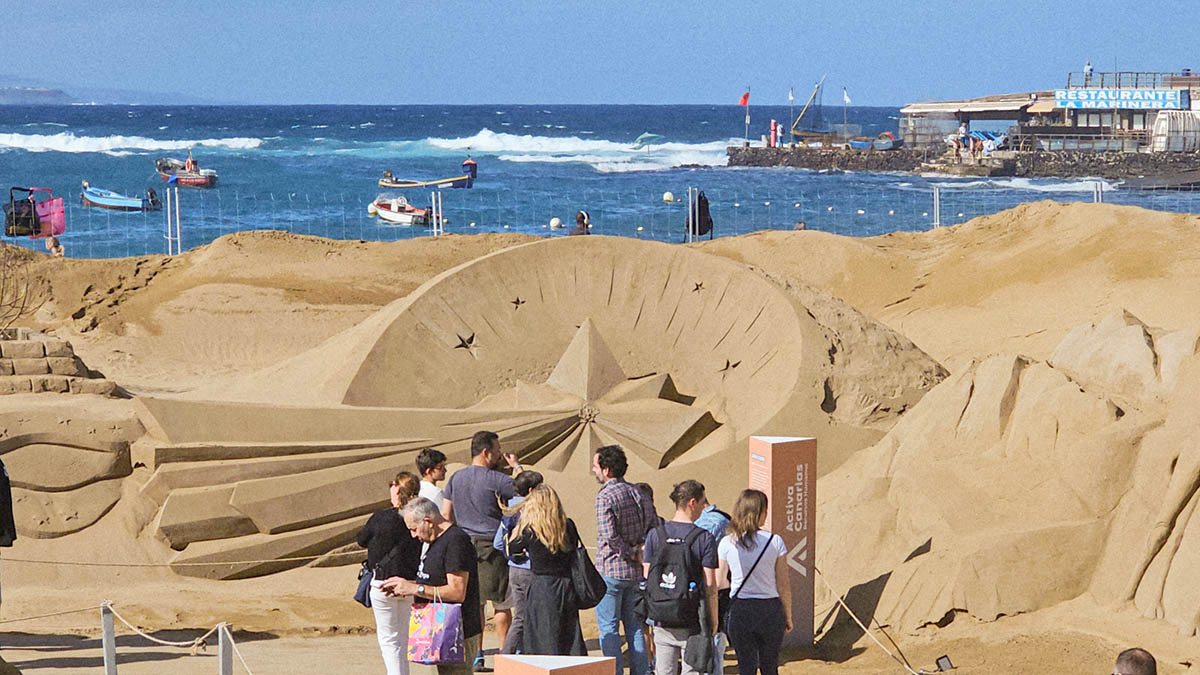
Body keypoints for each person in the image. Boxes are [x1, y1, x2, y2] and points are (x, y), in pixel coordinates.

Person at [442, 431, 524, 670]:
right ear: (486, 452)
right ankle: (503, 654)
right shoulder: (497, 479)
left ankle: (477, 654)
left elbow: (446, 515)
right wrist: (517, 466)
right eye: (497, 450)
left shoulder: (456, 478)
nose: (500, 453)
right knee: (501, 604)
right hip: (493, 547)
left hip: (464, 546)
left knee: (474, 604)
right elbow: (527, 489)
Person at [382, 497, 481, 675]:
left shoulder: (456, 542)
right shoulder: (435, 541)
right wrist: (404, 585)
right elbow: (435, 582)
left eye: (414, 529)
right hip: (441, 629)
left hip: (458, 632)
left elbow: (457, 592)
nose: (413, 536)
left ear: (428, 522)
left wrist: (415, 589)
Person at [641, 480, 719, 675]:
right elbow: (710, 585)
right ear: (692, 502)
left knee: (664, 671)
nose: (703, 507)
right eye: (702, 502)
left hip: (661, 616)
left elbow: (647, 575)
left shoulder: (655, 535)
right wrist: (713, 619)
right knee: (692, 671)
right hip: (691, 618)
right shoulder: (704, 538)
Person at [592, 444, 657, 675]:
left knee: (608, 628)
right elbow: (654, 527)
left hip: (611, 570)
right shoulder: (638, 492)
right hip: (636, 572)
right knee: (635, 627)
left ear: (606, 470)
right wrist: (641, 550)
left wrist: (631, 551)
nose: (594, 470)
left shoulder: (605, 496)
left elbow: (609, 535)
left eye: (596, 466)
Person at [717, 490, 792, 675]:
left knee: (746, 666)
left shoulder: (728, 542)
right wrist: (788, 614)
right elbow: (783, 584)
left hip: (741, 608)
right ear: (761, 513)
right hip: (770, 609)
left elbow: (720, 582)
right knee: (770, 665)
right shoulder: (775, 541)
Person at [506, 484, 587, 655]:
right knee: (568, 637)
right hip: (566, 585)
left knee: (541, 637)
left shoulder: (531, 530)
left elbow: (511, 547)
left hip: (541, 586)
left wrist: (521, 522)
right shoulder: (568, 525)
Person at [357, 472, 424, 675]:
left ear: (397, 490)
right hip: (409, 584)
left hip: (383, 583)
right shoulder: (419, 517)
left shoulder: (380, 518)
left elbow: (361, 539)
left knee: (389, 641)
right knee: (402, 639)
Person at [494, 470, 544, 654]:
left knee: (521, 616)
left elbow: (498, 542)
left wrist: (512, 556)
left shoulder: (509, 511)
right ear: (531, 490)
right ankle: (507, 657)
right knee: (526, 618)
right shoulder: (533, 511)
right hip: (531, 569)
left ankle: (518, 655)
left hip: (514, 570)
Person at [693, 499, 732, 633]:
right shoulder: (719, 519)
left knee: (712, 624)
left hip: (712, 581)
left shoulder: (712, 522)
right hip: (718, 581)